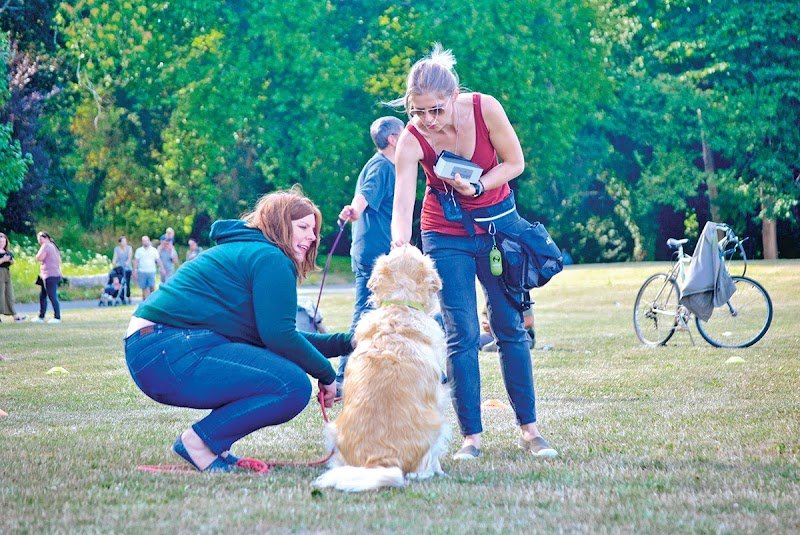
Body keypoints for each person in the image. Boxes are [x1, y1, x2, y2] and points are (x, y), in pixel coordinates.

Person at [389, 44, 557, 460]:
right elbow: (402, 201)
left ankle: (530, 430)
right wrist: (399, 245)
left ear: (453, 97)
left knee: (509, 327)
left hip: (498, 227)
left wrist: (479, 185)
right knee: (461, 333)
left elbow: (514, 163)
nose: (427, 120)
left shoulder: (485, 109)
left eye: (436, 110)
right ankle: (472, 439)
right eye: (417, 111)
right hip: (445, 234)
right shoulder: (411, 141)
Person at [124, 188, 352, 472]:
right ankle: (199, 443)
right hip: (168, 348)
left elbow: (278, 336)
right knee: (290, 385)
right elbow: (279, 336)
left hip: (155, 350)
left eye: (314, 230)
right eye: (303, 227)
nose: (313, 237)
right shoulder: (271, 258)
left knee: (274, 373)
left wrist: (350, 343)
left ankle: (210, 443)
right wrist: (327, 374)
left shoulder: (251, 251)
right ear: (280, 224)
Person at [336, 115, 404, 387]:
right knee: (363, 314)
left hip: (380, 253)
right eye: (404, 133)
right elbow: (364, 194)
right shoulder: (381, 166)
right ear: (393, 139)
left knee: (395, 309)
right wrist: (355, 210)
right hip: (373, 256)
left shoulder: (391, 167)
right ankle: (341, 377)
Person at [32, 231, 62, 324]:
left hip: (49, 275)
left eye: (41, 239)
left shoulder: (46, 246)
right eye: (39, 240)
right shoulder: (53, 246)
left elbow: (39, 257)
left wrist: (37, 255)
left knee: (52, 296)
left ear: (46, 238)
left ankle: (57, 317)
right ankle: (41, 316)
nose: (40, 241)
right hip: (52, 274)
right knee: (43, 296)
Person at [0, 232, 26, 322]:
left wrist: (10, 261)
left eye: (3, 242)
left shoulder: (7, 252)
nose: (2, 243)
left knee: (9, 294)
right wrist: (3, 259)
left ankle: (14, 314)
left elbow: (11, 261)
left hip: (6, 273)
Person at [132, 236, 162, 301]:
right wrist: (134, 270)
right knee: (144, 287)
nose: (145, 242)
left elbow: (158, 260)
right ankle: (145, 301)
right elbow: (136, 261)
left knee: (152, 287)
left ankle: (153, 300)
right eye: (143, 241)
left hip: (151, 271)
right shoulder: (139, 251)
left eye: (146, 241)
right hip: (142, 271)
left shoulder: (154, 250)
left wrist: (162, 268)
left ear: (149, 241)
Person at [111, 236, 133, 304]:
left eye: (125, 241)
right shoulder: (117, 249)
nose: (124, 243)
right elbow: (115, 257)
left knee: (127, 283)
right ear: (120, 243)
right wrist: (114, 263)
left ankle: (128, 297)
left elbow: (130, 257)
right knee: (121, 283)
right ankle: (122, 297)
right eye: (123, 241)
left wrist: (128, 262)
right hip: (120, 268)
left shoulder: (129, 248)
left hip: (127, 268)